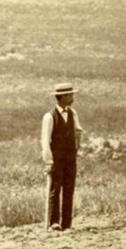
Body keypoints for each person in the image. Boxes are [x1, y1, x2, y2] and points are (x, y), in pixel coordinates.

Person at [41, 82, 83, 230]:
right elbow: (45, 140)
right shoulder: (49, 116)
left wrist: (76, 149)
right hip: (57, 159)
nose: (72, 97)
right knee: (55, 189)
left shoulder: (73, 113)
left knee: (69, 189)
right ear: (63, 96)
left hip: (70, 158)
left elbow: (78, 131)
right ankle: (54, 222)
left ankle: (67, 223)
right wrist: (49, 160)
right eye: (70, 95)